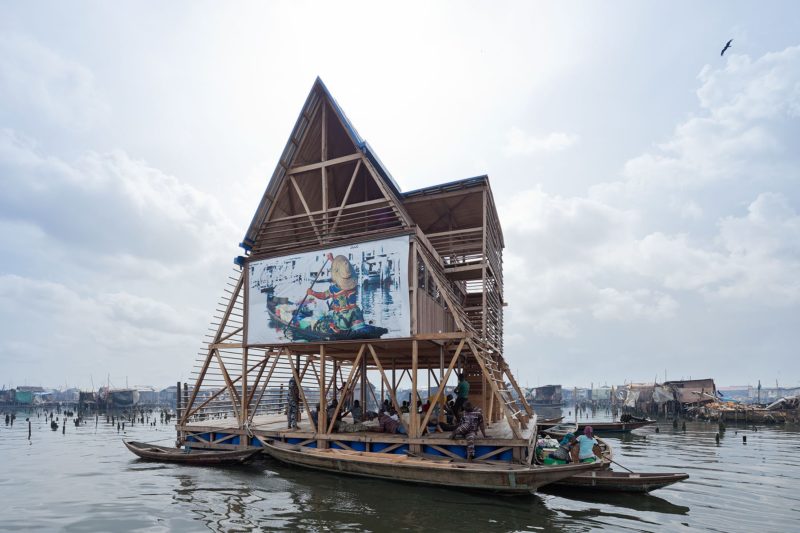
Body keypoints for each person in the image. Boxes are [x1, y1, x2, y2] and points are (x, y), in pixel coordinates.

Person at [306, 254, 367, 335]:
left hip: (343, 319)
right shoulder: (353, 285)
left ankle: (337, 330)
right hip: (356, 315)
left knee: (321, 325)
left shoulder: (334, 289)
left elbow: (323, 296)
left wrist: (312, 293)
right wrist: (332, 260)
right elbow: (342, 272)